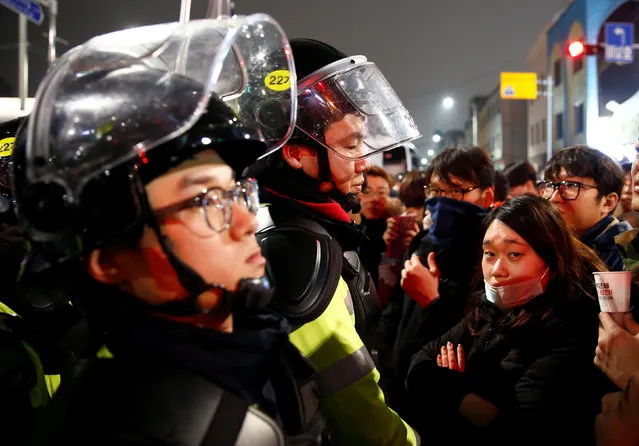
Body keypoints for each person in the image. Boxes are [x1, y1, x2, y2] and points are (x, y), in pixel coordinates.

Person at [14, 17, 324, 445]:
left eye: (236, 193)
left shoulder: (258, 347)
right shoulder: (117, 426)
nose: (246, 221)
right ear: (108, 261)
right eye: (206, 201)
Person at [249, 38, 421, 445]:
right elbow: (366, 419)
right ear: (294, 152)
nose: (365, 160)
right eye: (349, 145)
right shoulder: (302, 259)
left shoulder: (290, 226)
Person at [406, 195, 610, 445]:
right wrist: (474, 401)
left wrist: (454, 388)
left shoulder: (571, 327)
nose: (497, 270)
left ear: (552, 260)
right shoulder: (486, 309)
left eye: (514, 254)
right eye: (489, 253)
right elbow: (418, 368)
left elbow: (517, 432)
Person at [539, 146, 626, 271]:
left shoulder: (629, 255)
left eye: (570, 185)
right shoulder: (552, 243)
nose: (554, 197)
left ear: (608, 202)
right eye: (551, 185)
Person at [358, 165, 394, 286]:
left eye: (381, 192)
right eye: (367, 192)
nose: (374, 199)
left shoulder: (395, 229)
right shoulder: (349, 231)